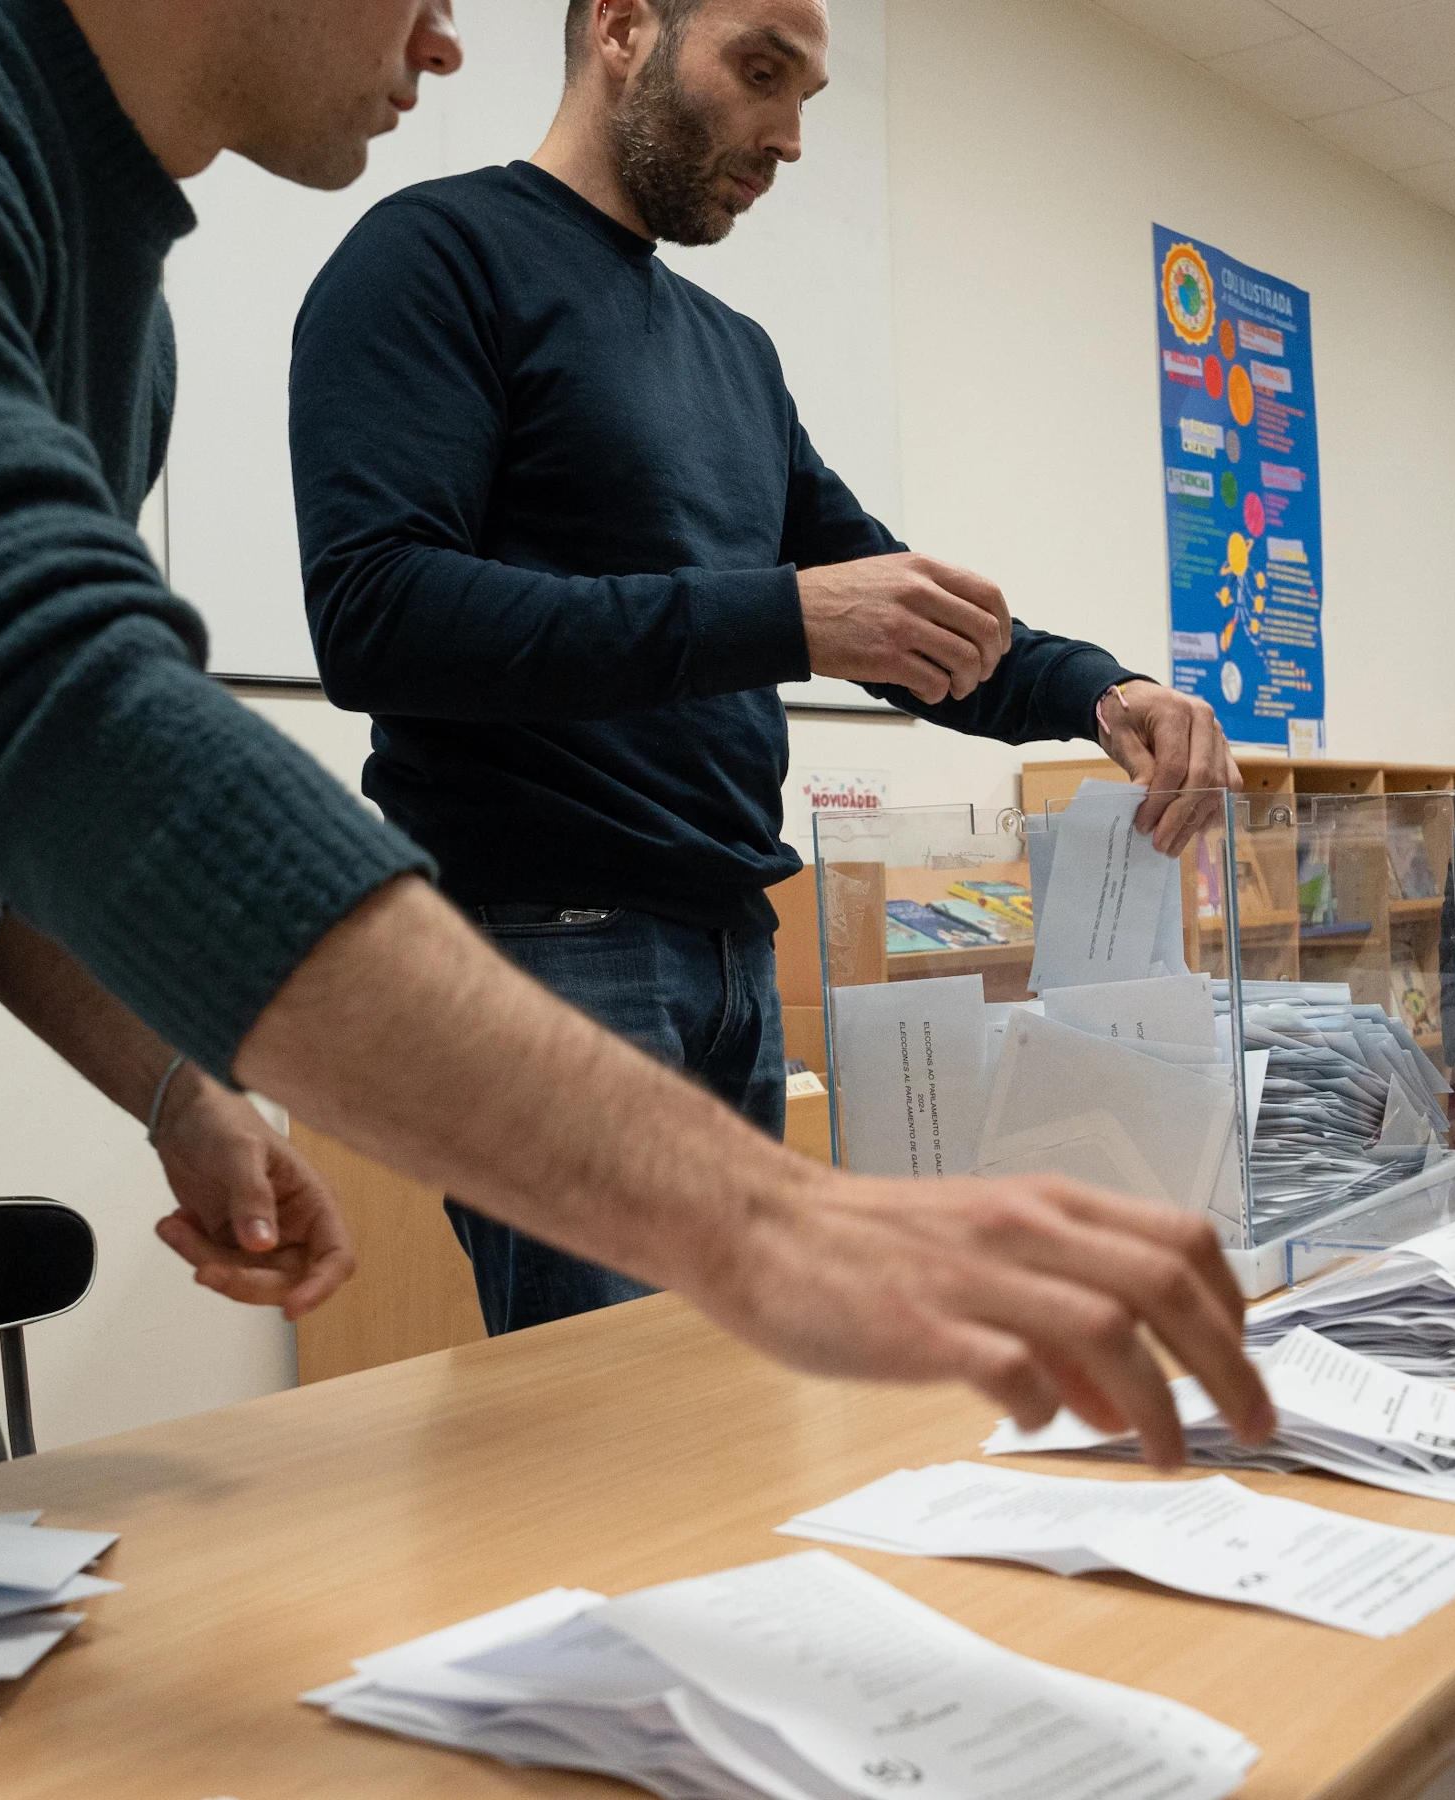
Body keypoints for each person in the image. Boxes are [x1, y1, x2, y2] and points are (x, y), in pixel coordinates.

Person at [0, 0, 1277, 1536]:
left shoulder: (105, 264)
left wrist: (172, 1084)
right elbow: (55, 696)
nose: (447, 34)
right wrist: (770, 1222)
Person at [286, 0, 1235, 1334]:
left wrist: (1103, 690)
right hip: (545, 949)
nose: (788, 137)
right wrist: (785, 617)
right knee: (608, 1439)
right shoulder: (434, 256)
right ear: (623, 27)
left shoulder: (735, 354)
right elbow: (380, 615)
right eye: (760, 73)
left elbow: (900, 615)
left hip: (736, 948)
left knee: (727, 1405)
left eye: (808, 96)